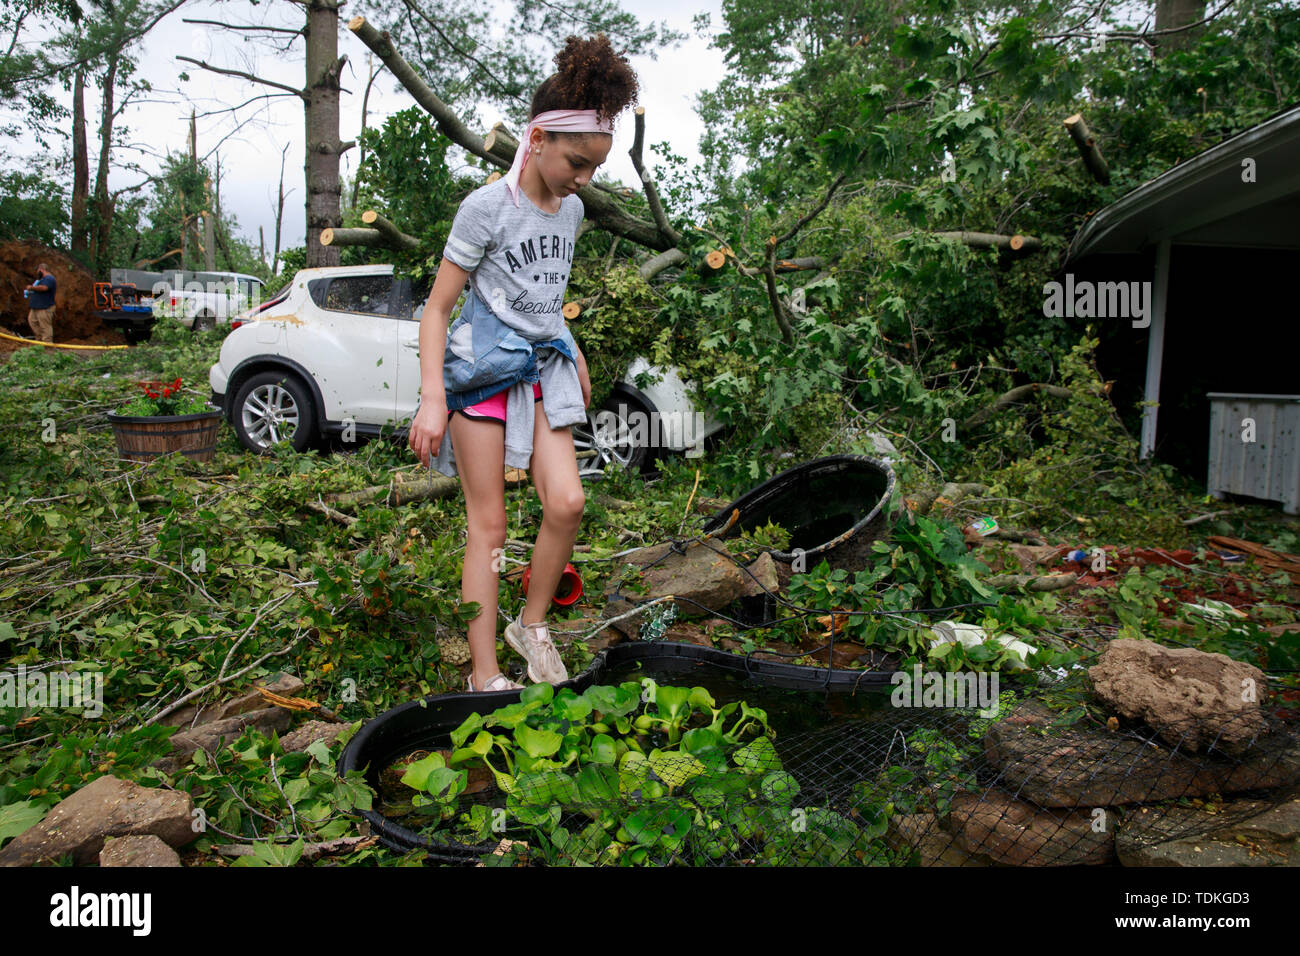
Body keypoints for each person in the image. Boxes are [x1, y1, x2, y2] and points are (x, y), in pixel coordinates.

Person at [407, 34, 639, 694]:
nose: (583, 179)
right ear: (536, 139)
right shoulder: (486, 209)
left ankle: (531, 625)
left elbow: (547, 299)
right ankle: (484, 676)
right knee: (490, 526)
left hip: (543, 371)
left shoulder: (568, 212)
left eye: (594, 167)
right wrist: (431, 399)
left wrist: (577, 351)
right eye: (576, 161)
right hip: (483, 374)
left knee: (567, 502)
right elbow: (436, 310)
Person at [25, 263, 57, 343]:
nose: (37, 273)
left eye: (37, 271)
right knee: (32, 321)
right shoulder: (41, 280)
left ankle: (47, 344)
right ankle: (39, 341)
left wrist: (31, 287)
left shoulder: (49, 278)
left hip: (44, 307)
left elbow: (44, 288)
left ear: (41, 269)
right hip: (36, 307)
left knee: (45, 326)